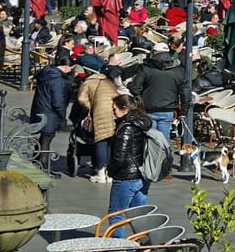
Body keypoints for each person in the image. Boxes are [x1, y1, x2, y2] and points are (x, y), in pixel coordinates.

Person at [105, 93, 152, 228]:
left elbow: (120, 157)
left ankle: (118, 248)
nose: (113, 113)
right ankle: (145, 246)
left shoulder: (126, 128)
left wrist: (111, 170)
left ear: (124, 108)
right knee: (138, 216)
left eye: (115, 109)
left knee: (116, 216)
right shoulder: (143, 123)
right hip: (142, 176)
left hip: (126, 177)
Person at [131, 47, 187, 142]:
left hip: (149, 108)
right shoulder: (178, 71)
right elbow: (185, 92)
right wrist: (184, 111)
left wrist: (142, 97)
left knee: (150, 139)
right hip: (167, 108)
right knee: (164, 139)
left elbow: (135, 88)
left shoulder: (146, 68)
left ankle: (152, 156)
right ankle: (163, 155)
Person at [30, 51, 75, 168]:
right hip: (50, 113)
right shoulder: (58, 80)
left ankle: (36, 161)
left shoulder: (46, 72)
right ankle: (43, 167)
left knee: (43, 138)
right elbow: (57, 101)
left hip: (39, 109)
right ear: (66, 67)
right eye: (71, 68)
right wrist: (62, 114)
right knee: (47, 138)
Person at [76, 64, 119, 182]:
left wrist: (89, 107)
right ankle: (109, 174)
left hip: (99, 113)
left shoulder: (88, 83)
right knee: (109, 142)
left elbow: (81, 99)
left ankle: (100, 173)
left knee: (100, 141)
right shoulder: (109, 83)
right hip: (113, 113)